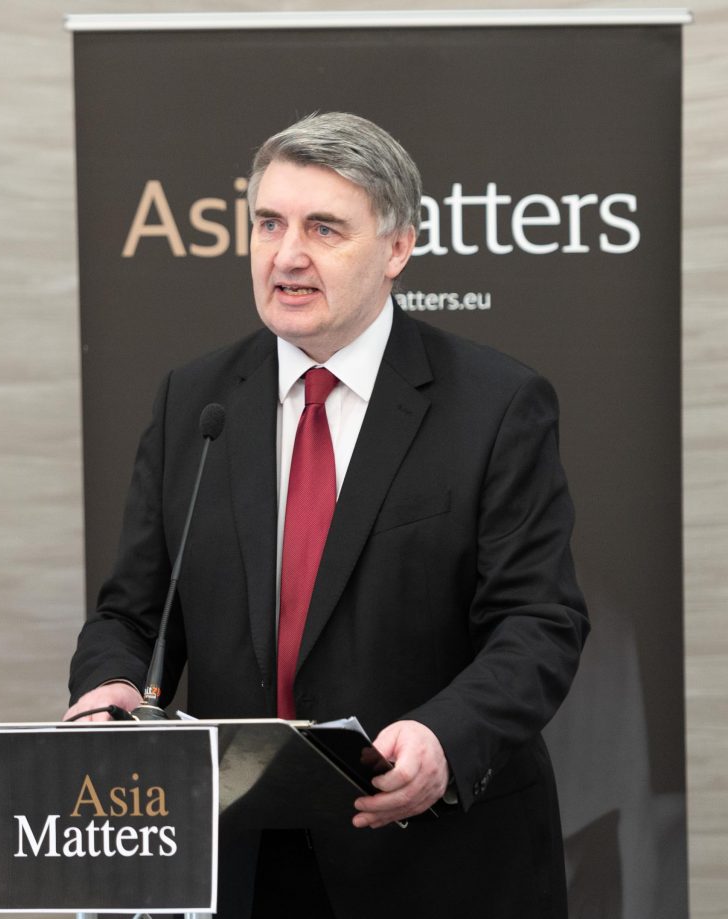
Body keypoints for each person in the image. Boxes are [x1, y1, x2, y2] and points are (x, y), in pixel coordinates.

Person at [65, 112, 589, 918]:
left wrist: (444, 737)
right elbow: (132, 613)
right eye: (268, 223)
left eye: (323, 228)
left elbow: (539, 621)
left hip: (429, 858)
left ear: (397, 248)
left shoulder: (495, 404)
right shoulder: (194, 402)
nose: (286, 255)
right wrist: (109, 686)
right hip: (238, 859)